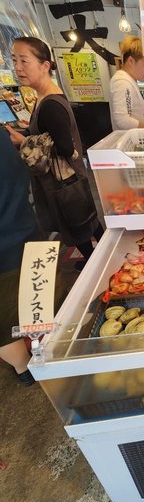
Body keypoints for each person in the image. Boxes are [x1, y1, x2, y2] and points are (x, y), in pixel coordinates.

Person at [5, 37, 103, 265]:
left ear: (45, 65)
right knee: (87, 222)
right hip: (68, 180)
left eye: (24, 61)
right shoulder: (46, 97)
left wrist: (24, 141)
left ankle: (95, 265)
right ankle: (99, 260)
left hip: (64, 182)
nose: (18, 67)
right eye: (15, 60)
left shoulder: (50, 104)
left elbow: (65, 147)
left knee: (78, 227)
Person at [0, 129, 38, 385]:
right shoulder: (2, 136)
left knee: (4, 319)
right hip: (26, 230)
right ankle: (46, 356)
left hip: (5, 245)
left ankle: (24, 369)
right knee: (34, 298)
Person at [109, 36, 144, 130]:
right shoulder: (122, 82)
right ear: (131, 61)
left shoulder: (130, 80)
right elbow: (122, 120)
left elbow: (134, 114)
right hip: (129, 138)